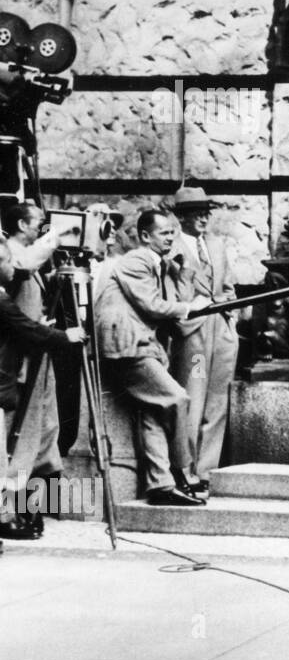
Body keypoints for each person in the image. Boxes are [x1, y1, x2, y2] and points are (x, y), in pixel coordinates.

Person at [95, 210, 210, 507]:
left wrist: (182, 276)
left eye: (173, 232)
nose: (171, 238)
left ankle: (160, 485)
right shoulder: (137, 259)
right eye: (164, 233)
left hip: (140, 344)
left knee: (152, 413)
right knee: (176, 399)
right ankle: (181, 469)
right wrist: (189, 307)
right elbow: (151, 304)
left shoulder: (157, 264)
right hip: (128, 345)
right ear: (145, 236)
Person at [0, 236, 85, 540]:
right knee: (15, 448)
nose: (10, 266)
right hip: (20, 371)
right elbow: (26, 327)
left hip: (34, 364)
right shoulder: (5, 289)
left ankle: (26, 507)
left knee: (44, 436)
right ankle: (7, 513)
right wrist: (59, 234)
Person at [168, 186, 238, 494]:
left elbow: (229, 285)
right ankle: (185, 470)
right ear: (181, 216)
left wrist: (230, 318)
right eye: (197, 213)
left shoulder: (216, 245)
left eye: (205, 212)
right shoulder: (172, 249)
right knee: (193, 398)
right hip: (193, 334)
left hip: (220, 330)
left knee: (217, 401)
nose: (203, 218)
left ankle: (207, 470)